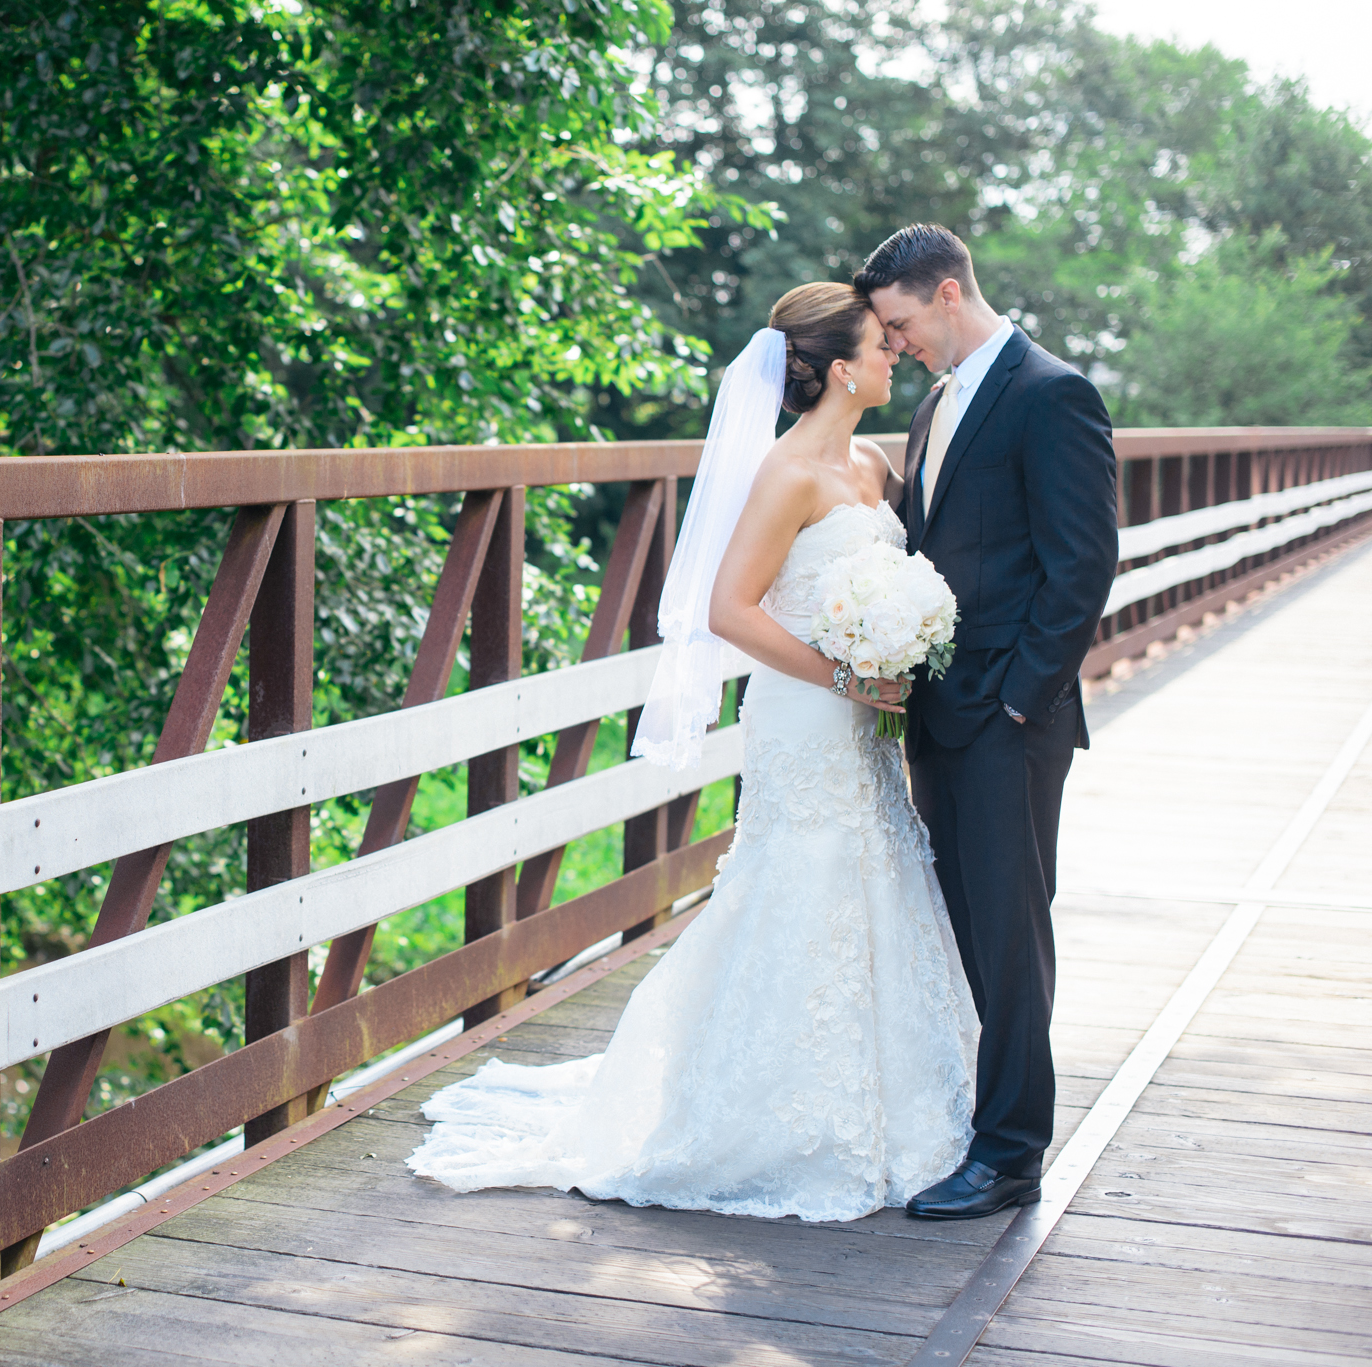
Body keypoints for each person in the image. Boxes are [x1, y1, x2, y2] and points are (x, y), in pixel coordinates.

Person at [405, 282, 980, 1222]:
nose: (892, 357)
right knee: (801, 885)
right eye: (881, 345)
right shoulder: (785, 472)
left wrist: (898, 644)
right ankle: (764, 1115)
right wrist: (844, 677)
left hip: (865, 720)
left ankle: (894, 1109)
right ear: (841, 368)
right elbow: (728, 609)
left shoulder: (873, 464)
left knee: (877, 875)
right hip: (806, 714)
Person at [855, 225, 1118, 1219]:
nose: (896, 342)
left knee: (1009, 937)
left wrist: (1018, 698)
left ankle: (1010, 1153)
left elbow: (1081, 563)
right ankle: (978, 1117)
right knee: (964, 926)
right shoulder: (931, 404)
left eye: (902, 321)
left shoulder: (1051, 394)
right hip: (938, 714)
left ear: (950, 291)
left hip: (1008, 721)